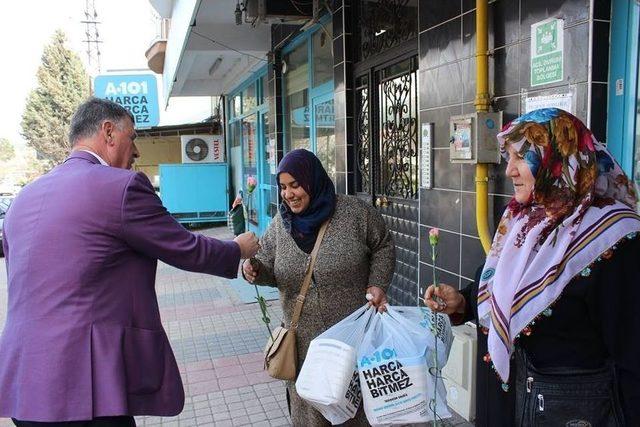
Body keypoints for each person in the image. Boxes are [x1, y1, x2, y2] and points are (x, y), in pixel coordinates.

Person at [0, 98, 260, 426]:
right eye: (133, 137)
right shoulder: (121, 187)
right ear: (109, 132)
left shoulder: (23, 199)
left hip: (24, 386)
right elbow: (185, 247)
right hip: (84, 386)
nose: (136, 152)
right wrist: (237, 248)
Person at [425, 108, 640, 426]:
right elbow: (508, 290)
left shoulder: (614, 236)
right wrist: (464, 301)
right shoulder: (521, 220)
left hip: (568, 411)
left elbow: (632, 354)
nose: (508, 169)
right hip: (505, 405)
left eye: (522, 157)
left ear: (559, 157)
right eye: (507, 156)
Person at [242, 149, 395, 425]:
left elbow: (383, 245)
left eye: (296, 185)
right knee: (311, 416)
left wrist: (378, 283)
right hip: (304, 347)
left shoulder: (355, 213)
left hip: (351, 340)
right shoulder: (281, 225)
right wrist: (253, 270)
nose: (288, 194)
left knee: (355, 411)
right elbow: (266, 264)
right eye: (284, 187)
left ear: (313, 181)